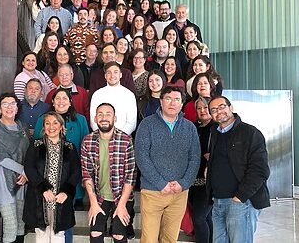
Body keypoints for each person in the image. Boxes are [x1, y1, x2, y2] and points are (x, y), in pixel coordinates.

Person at [135, 86, 200, 243]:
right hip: (153, 191)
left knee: (170, 239)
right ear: (161, 101)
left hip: (179, 193)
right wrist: (160, 183)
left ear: (182, 103)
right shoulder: (147, 125)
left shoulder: (189, 128)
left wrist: (184, 183)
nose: (172, 103)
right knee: (149, 239)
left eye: (177, 99)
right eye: (168, 99)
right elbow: (141, 156)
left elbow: (195, 158)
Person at [207, 96, 270, 243]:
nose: (218, 112)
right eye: (214, 110)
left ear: (231, 108)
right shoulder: (215, 133)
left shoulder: (250, 133)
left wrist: (240, 197)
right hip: (218, 201)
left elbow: (260, 170)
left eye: (222, 106)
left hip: (240, 201)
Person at [81, 102, 137, 243]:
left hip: (122, 197)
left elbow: (130, 175)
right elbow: (87, 174)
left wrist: (122, 205)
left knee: (118, 234)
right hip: (99, 197)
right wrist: (93, 203)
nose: (104, 117)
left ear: (114, 118)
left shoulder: (126, 140)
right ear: (95, 119)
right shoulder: (88, 141)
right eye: (100, 114)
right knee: (95, 232)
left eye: (108, 114)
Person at [23, 111, 81, 243]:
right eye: (47, 123)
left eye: (55, 123)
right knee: (41, 235)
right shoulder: (36, 145)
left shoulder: (70, 147)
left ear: (61, 126)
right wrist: (43, 189)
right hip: (40, 197)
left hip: (60, 199)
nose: (51, 126)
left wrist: (66, 192)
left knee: (58, 236)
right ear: (43, 127)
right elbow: (29, 169)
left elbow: (76, 172)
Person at [0, 93, 30, 243]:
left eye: (12, 103)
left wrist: (26, 173)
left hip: (22, 180)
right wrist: (24, 170)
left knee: (20, 223)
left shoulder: (22, 127)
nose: (9, 107)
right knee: (10, 224)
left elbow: (28, 152)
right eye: (5, 104)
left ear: (17, 108)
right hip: (3, 179)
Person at [90, 61, 137, 136]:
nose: (112, 75)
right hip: (101, 137)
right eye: (109, 73)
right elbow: (93, 120)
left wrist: (119, 137)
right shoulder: (97, 94)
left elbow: (132, 123)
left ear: (120, 75)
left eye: (115, 72)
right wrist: (104, 135)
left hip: (123, 138)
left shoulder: (129, 95)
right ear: (105, 76)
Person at [190, 96, 213, 243]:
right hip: (193, 182)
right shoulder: (193, 127)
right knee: (206, 218)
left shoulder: (217, 128)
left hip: (209, 183)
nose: (202, 111)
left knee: (198, 218)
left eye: (205, 107)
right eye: (199, 108)